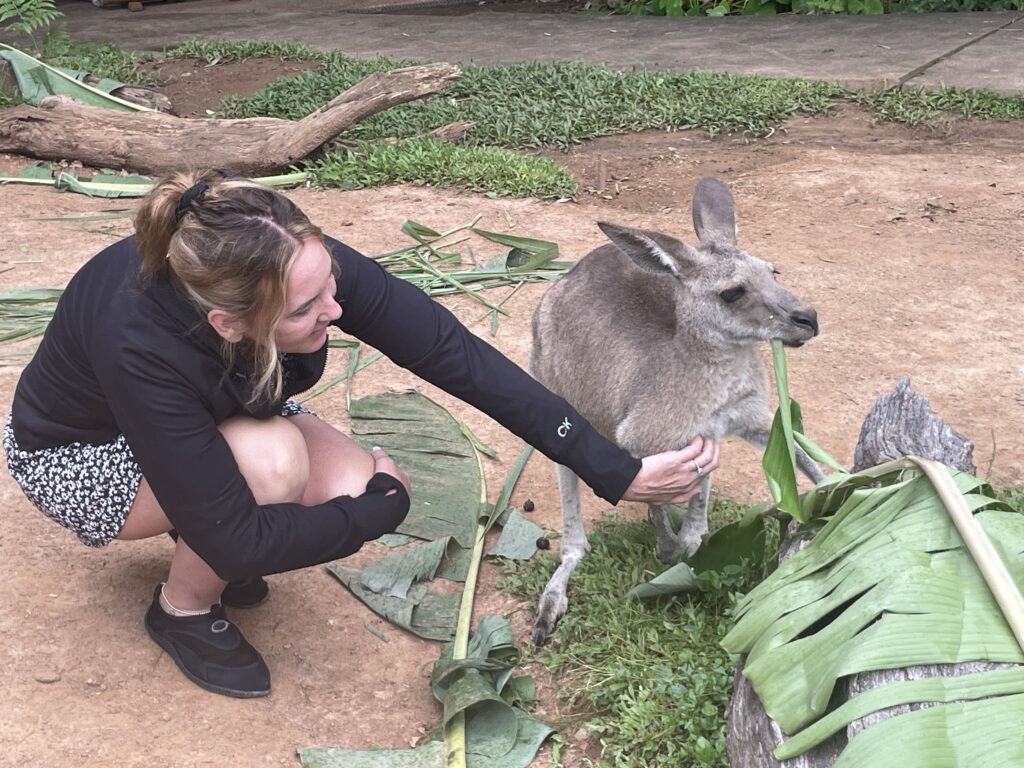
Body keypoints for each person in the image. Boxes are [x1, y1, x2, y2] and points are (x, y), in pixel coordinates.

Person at [3, 170, 720, 699]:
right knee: (275, 470)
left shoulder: (276, 259)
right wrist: (381, 510)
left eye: (330, 285)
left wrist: (609, 467)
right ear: (230, 323)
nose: (337, 309)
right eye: (310, 308)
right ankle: (181, 611)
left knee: (333, 477)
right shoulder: (139, 341)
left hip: (207, 411)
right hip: (80, 456)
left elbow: (449, 351)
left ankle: (205, 516)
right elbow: (237, 540)